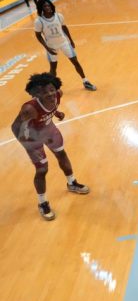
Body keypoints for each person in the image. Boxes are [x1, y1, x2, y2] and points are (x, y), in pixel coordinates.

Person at [11, 73, 91, 221]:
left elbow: (51, 108)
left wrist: (57, 112)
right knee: (42, 169)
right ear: (37, 94)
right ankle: (43, 203)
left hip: (50, 131)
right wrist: (28, 143)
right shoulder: (29, 109)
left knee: (62, 155)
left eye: (51, 89)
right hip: (33, 139)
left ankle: (72, 183)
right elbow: (15, 127)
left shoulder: (58, 94)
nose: (50, 94)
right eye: (44, 92)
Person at [34, 0, 97, 91]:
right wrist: (47, 48)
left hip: (64, 43)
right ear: (41, 8)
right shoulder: (39, 21)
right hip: (51, 46)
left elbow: (64, 27)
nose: (48, 7)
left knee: (75, 62)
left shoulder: (59, 16)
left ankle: (85, 81)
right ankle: (51, 87)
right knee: (53, 67)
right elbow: (38, 35)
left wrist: (70, 40)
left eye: (49, 5)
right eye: (45, 6)